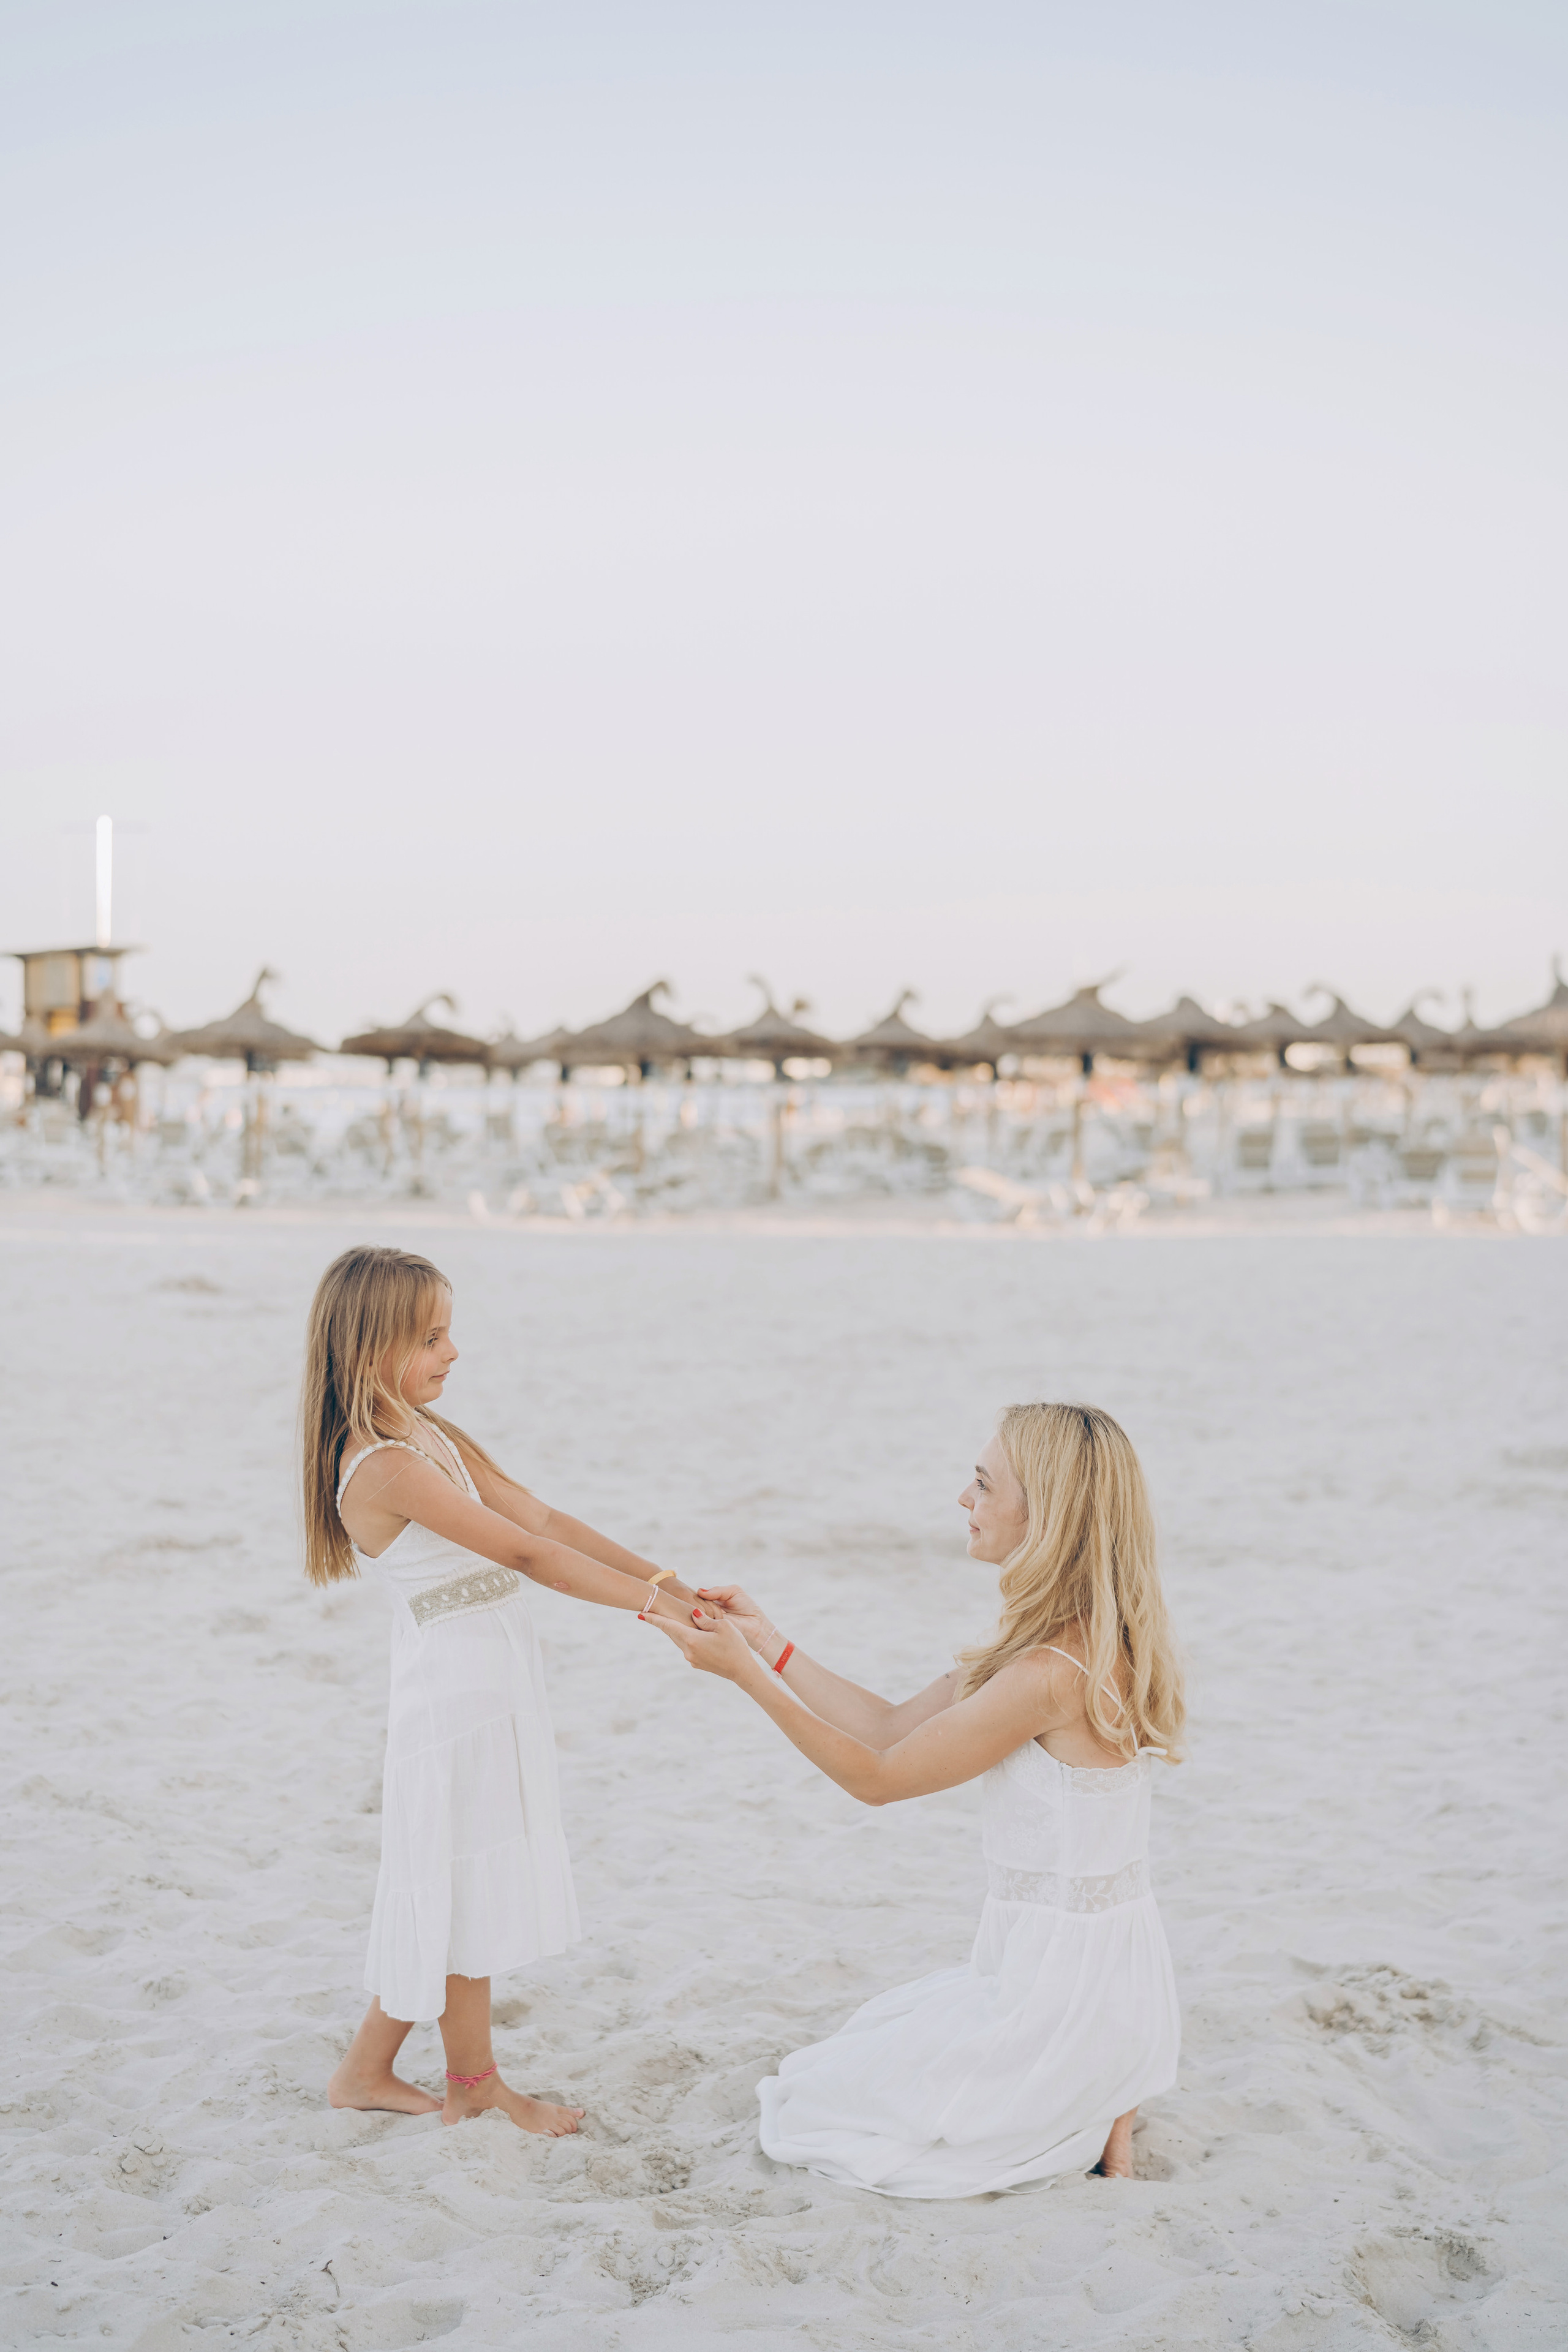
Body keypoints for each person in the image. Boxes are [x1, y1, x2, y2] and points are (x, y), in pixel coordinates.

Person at [653, 1401, 1185, 2195]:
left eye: (981, 1484)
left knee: (816, 2110)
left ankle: (1086, 2104)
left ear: (1044, 1514)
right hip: (1095, 1975)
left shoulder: (1049, 1676)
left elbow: (877, 1779)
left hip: (1062, 1993)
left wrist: (741, 1678)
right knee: (846, 2067)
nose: (962, 1501)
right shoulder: (1058, 1641)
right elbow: (891, 1727)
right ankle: (1097, 2106)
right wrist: (769, 1646)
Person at [300, 1243, 712, 2134]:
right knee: (460, 1880)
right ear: (371, 1346)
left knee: (454, 1875)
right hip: (454, 1695)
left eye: (450, 1334)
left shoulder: (432, 1438)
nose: (453, 1353)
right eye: (432, 1337)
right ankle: (474, 2086)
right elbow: (526, 1555)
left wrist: (670, 1582)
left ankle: (367, 2072)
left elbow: (544, 1518)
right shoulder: (382, 1465)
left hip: (491, 1677)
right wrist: (654, 1613)